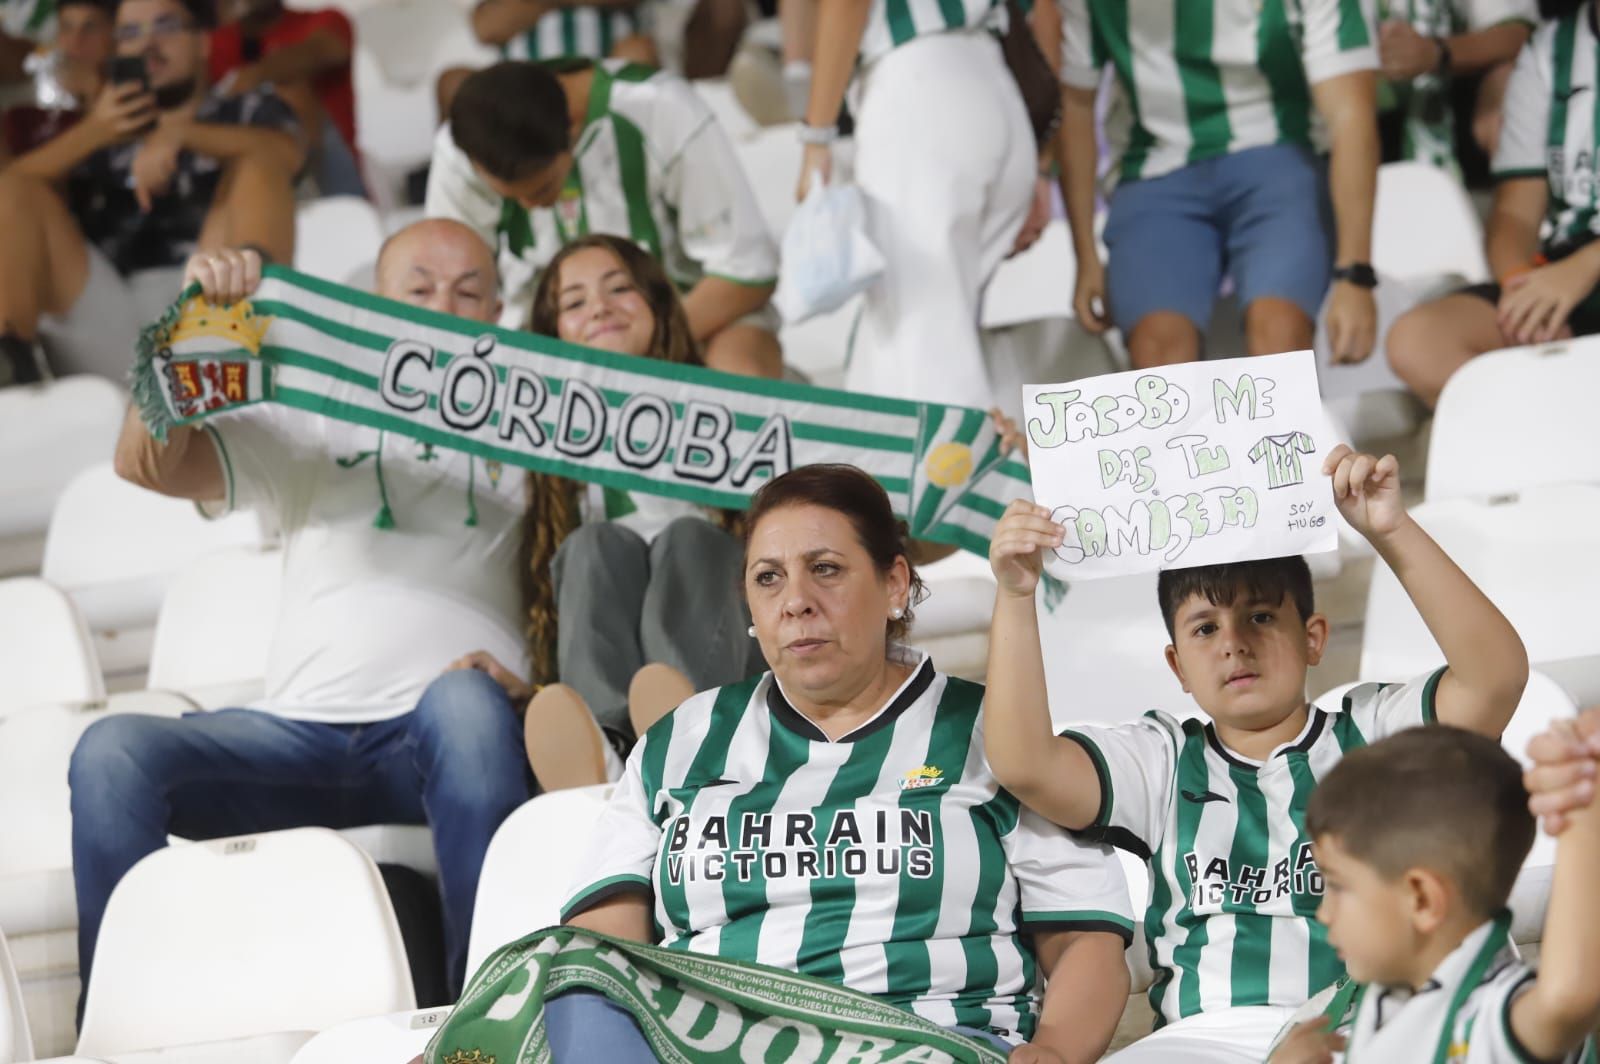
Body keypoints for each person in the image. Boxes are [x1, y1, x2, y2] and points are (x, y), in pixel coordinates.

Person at [507, 463, 1136, 1061]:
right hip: (712, 1046)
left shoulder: (995, 733)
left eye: (826, 570)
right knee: (576, 982)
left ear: (894, 584)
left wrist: (1054, 1051)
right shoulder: (681, 740)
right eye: (768, 578)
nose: (796, 601)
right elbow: (602, 953)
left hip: (924, 1039)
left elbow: (1085, 939)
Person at [71, 220, 537, 1011]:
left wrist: (528, 685)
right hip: (293, 738)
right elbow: (142, 463)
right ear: (374, 306)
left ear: (496, 314)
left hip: (446, 733)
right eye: (417, 289)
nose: (442, 307)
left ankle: (488, 1025)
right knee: (112, 751)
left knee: (465, 707)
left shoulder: (537, 426)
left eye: (468, 292)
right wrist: (190, 331)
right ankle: (127, 1021)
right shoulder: (317, 411)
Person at [982, 444, 1529, 1063]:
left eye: (1262, 617)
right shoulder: (1162, 759)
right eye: (1205, 628)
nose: (1235, 645)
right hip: (1199, 1043)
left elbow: (1496, 679)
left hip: (1366, 1026)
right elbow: (1022, 760)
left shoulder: (1377, 734)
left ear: (1314, 638)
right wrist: (1016, 594)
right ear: (1177, 665)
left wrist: (1391, 528)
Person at [434, 233, 766, 788]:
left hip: (738, 680)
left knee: (689, 538)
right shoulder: (538, 460)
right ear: (552, 334)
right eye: (574, 303)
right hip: (618, 707)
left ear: (661, 306)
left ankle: (694, 737)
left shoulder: (734, 413)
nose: (600, 309)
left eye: (620, 289)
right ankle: (604, 746)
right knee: (592, 547)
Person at [1058, 0, 1383, 370]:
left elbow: (1350, 112)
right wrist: (1084, 254)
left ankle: (1296, 427)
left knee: (1279, 336)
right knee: (1158, 357)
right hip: (1155, 167)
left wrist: (1355, 274)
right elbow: (1075, 103)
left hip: (1280, 153)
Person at [0, 0, 300, 386]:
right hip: (108, 315)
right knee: (15, 190)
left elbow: (286, 155)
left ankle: (255, 343)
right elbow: (12, 190)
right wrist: (96, 131)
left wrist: (180, 134)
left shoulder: (249, 108)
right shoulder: (93, 130)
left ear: (203, 43)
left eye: (165, 26)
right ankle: (8, 369)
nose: (147, 44)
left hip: (209, 305)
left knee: (256, 162)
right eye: (130, 33)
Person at [425, 60, 783, 379]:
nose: (529, 206)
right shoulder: (460, 148)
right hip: (545, 343)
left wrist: (642, 351)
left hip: (689, 319)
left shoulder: (661, 107)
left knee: (741, 372)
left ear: (573, 129)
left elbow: (749, 273)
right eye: (509, 198)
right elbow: (449, 293)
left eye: (542, 189)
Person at [1270, 724, 1599, 1064]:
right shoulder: (1387, 999)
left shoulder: (1489, 1015)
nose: (1323, 913)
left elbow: (1568, 997)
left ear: (1422, 899)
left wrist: (1584, 810)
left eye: (1337, 885)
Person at [793, 0, 1044, 410]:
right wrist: (1043, 161)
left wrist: (816, 136)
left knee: (920, 349)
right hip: (996, 82)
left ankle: (958, 472)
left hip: (919, 87)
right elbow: (1046, 11)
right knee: (937, 336)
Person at [1386, 2, 1600, 408]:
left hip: (1582, 268)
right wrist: (1523, 292)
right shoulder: (1551, 47)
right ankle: (1556, 452)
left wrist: (1588, 265)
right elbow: (1515, 214)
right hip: (1566, 270)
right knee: (1418, 341)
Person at [208, 0, 362, 197]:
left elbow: (326, 50)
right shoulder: (215, 44)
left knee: (291, 92)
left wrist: (254, 76)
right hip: (247, 184)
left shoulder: (326, 20)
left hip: (328, 177)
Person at [1375, 0, 1533, 172]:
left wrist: (1436, 52)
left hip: (1449, 106)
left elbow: (1519, 34)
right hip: (1365, 117)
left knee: (1510, 81)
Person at [1, 0, 116, 159]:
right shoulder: (34, 96)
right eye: (66, 27)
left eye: (90, 27)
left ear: (114, 33)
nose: (76, 40)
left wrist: (94, 92)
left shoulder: (127, 89)